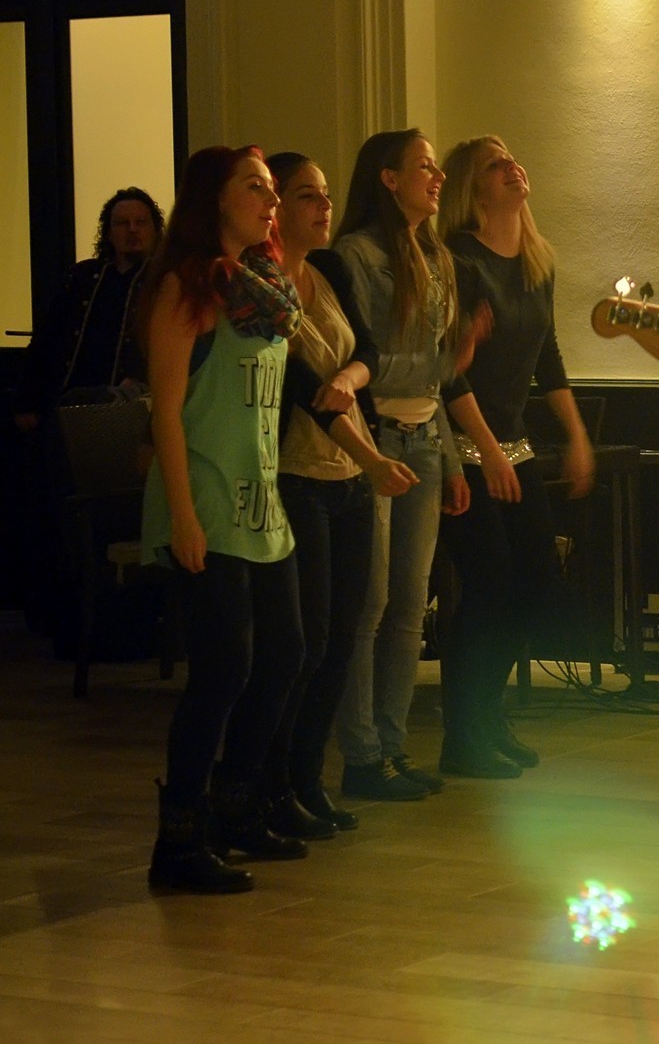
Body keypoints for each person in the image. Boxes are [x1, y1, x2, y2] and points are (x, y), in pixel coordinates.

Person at [140, 145, 306, 894]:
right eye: (256, 188)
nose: (271, 202)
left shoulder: (264, 287)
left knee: (284, 655)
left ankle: (235, 805)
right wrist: (182, 515)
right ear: (214, 199)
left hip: (261, 502)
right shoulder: (186, 287)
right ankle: (178, 838)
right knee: (223, 670)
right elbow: (166, 411)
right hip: (205, 499)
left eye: (272, 190)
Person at [330, 129, 495, 801]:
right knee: (368, 603)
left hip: (425, 439)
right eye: (424, 167)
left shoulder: (438, 256)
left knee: (409, 605)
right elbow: (364, 362)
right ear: (389, 179)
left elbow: (436, 382)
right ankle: (361, 753)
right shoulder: (356, 254)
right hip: (373, 440)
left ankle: (393, 749)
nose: (437, 177)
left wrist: (453, 460)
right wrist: (447, 360)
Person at [260, 151, 419, 837]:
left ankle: (306, 780)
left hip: (347, 477)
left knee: (343, 639)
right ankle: (273, 784)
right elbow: (304, 391)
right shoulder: (261, 287)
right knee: (307, 641)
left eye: (325, 194)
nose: (324, 207)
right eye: (306, 196)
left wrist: (352, 378)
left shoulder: (326, 270)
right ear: (277, 209)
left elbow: (369, 353)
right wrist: (374, 458)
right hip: (298, 473)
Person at [435, 135, 595, 778]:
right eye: (495, 165)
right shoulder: (458, 259)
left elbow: (547, 357)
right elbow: (448, 368)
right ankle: (462, 733)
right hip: (463, 443)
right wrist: (487, 451)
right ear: (472, 187)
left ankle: (485, 713)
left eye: (513, 159)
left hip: (513, 441)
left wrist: (576, 435)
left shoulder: (536, 262)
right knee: (488, 582)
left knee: (535, 578)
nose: (513, 168)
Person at [14, 187, 163, 431]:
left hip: (129, 410)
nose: (132, 229)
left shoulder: (164, 282)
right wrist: (27, 402)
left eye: (141, 222)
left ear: (155, 230)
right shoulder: (81, 277)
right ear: (109, 233)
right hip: (64, 405)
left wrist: (138, 377)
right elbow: (45, 341)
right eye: (122, 223)